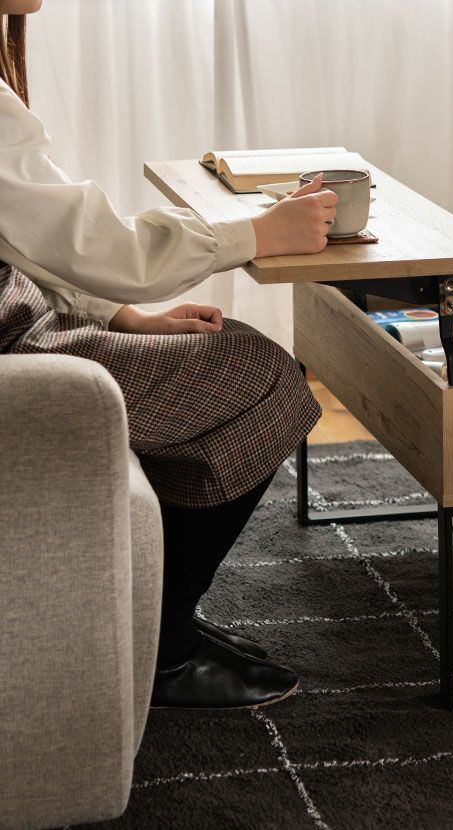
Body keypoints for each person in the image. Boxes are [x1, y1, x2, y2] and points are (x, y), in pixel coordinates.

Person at [0, 2, 339, 708]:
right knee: (264, 377)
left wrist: (124, 317)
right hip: (17, 354)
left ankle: (157, 616)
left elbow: (29, 242)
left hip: (22, 323)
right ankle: (162, 647)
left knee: (232, 352)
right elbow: (95, 244)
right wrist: (258, 233)